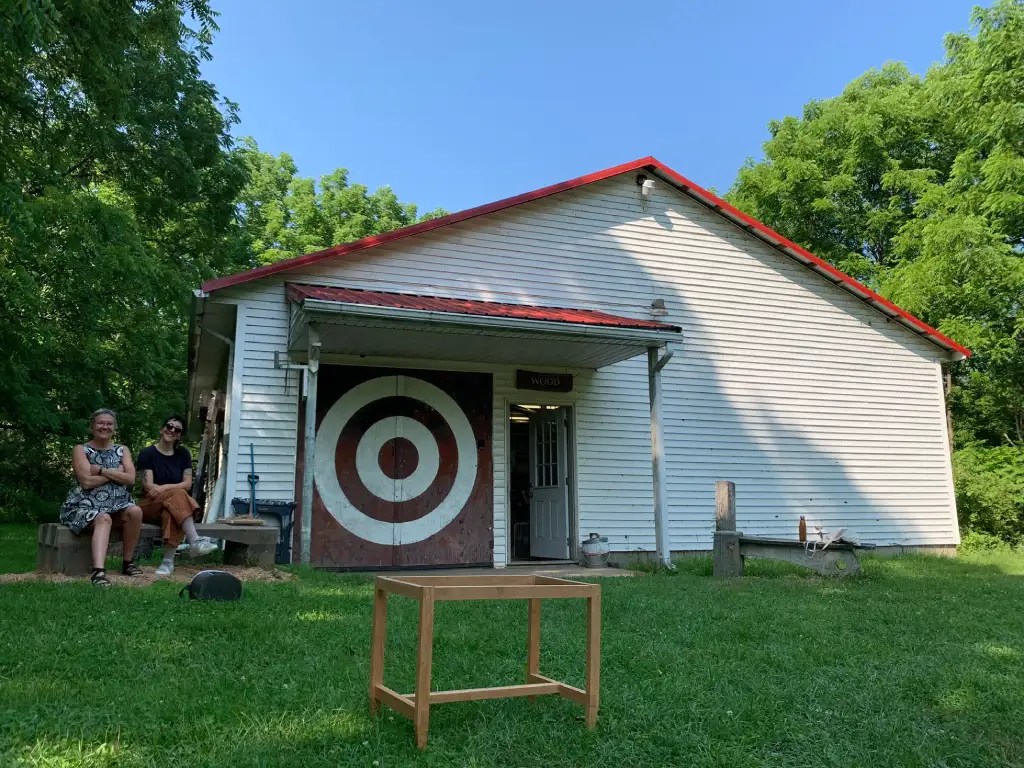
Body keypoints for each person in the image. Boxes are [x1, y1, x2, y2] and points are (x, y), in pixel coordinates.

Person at [59, 408, 144, 586]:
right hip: (85, 506)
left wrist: (102, 470)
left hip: (118, 505)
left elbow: (130, 479)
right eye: (100, 423)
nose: (105, 427)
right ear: (92, 427)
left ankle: (128, 563)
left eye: (109, 423)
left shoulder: (123, 450)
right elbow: (87, 482)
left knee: (135, 511)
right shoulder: (81, 449)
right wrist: (116, 472)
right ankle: (98, 572)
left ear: (115, 427)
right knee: (103, 518)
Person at [137, 415, 217, 576]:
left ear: (180, 435)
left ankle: (167, 563)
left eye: (177, 429)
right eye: (169, 426)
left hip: (173, 506)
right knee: (178, 494)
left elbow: (188, 483)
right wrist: (166, 490)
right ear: (162, 429)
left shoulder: (183, 454)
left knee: (172, 511)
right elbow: (148, 485)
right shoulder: (147, 453)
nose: (172, 430)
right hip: (149, 504)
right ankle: (194, 540)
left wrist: (164, 487)